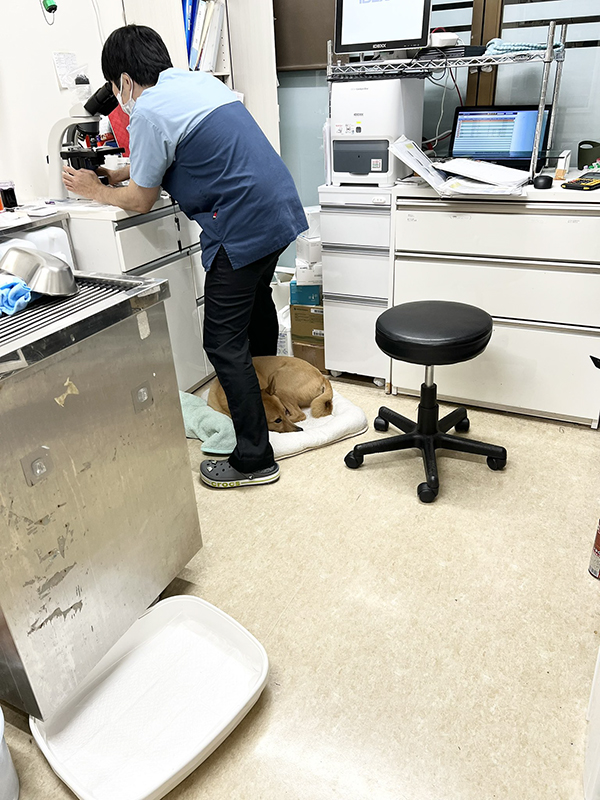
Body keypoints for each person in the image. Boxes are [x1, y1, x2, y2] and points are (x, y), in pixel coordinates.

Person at [63, 25, 307, 489]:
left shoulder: (147, 112)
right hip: (277, 210)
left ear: (125, 81)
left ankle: (255, 456)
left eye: (116, 89)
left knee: (221, 341)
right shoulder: (198, 83)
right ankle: (268, 399)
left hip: (242, 224)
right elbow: (182, 149)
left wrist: (97, 189)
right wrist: (120, 168)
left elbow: (139, 200)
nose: (118, 97)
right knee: (256, 308)